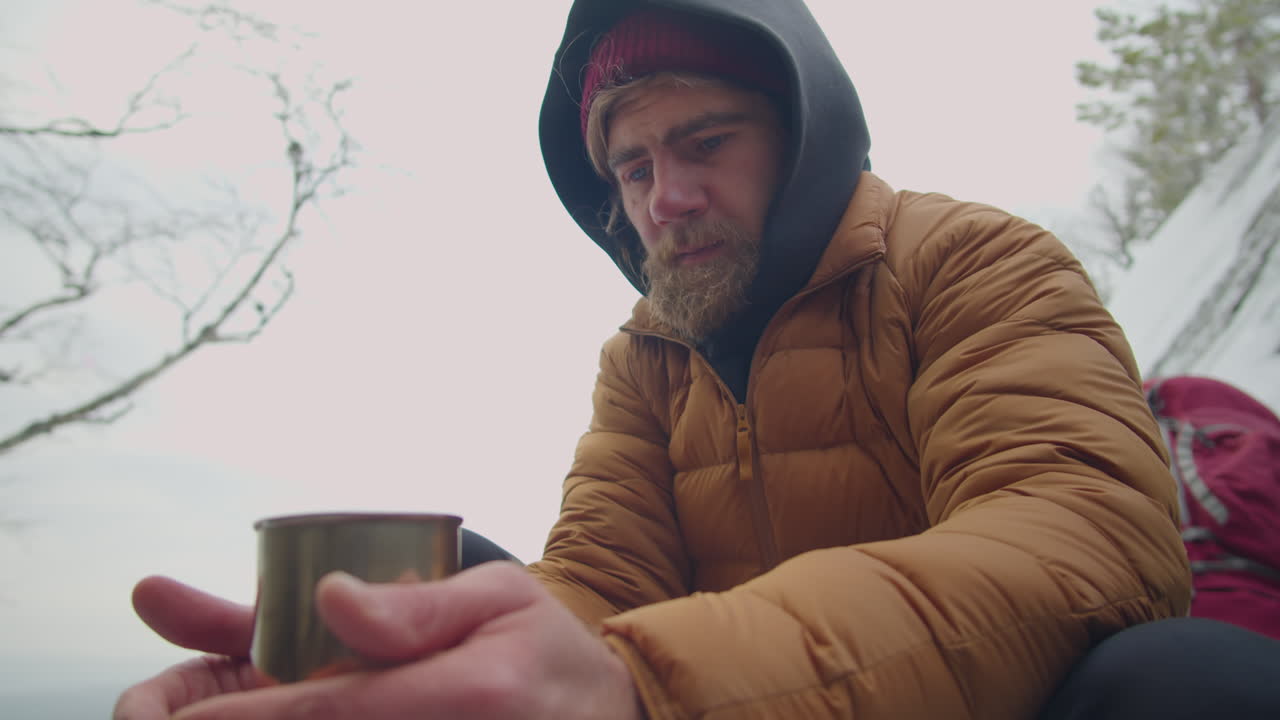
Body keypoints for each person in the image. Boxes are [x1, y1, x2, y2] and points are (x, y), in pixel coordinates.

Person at [114, 2, 1280, 718]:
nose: (665, 199)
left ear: (804, 135)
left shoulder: (973, 259)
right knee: (463, 576)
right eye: (630, 169)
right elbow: (600, 580)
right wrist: (394, 670)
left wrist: (646, 685)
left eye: (704, 143)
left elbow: (1080, 540)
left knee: (1187, 684)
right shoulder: (645, 358)